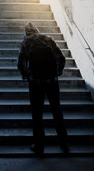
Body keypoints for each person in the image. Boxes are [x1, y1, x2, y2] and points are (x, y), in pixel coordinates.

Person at [17, 21, 69, 154]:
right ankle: (64, 143)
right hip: (52, 81)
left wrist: (25, 75)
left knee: (37, 114)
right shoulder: (48, 38)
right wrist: (58, 71)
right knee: (57, 111)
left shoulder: (26, 42)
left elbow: (20, 63)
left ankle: (39, 146)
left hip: (36, 83)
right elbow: (61, 58)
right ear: (37, 30)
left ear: (26, 32)